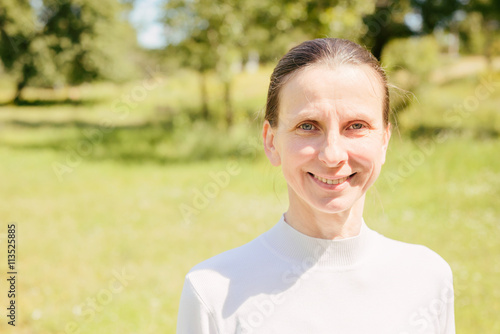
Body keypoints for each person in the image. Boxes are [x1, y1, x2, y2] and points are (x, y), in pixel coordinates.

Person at [177, 38, 455, 333]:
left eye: (357, 126)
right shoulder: (211, 292)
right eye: (308, 126)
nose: (332, 155)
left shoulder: (427, 277)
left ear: (384, 140)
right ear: (272, 142)